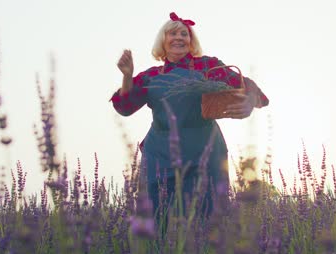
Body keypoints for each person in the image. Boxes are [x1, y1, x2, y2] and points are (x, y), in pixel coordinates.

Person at [110, 12, 269, 219]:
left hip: (205, 151)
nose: (179, 38)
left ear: (191, 41)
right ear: (163, 41)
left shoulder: (208, 67)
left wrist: (249, 100)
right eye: (173, 33)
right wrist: (127, 76)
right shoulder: (151, 76)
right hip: (160, 153)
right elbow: (125, 107)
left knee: (210, 218)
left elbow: (256, 93)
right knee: (157, 217)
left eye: (184, 34)